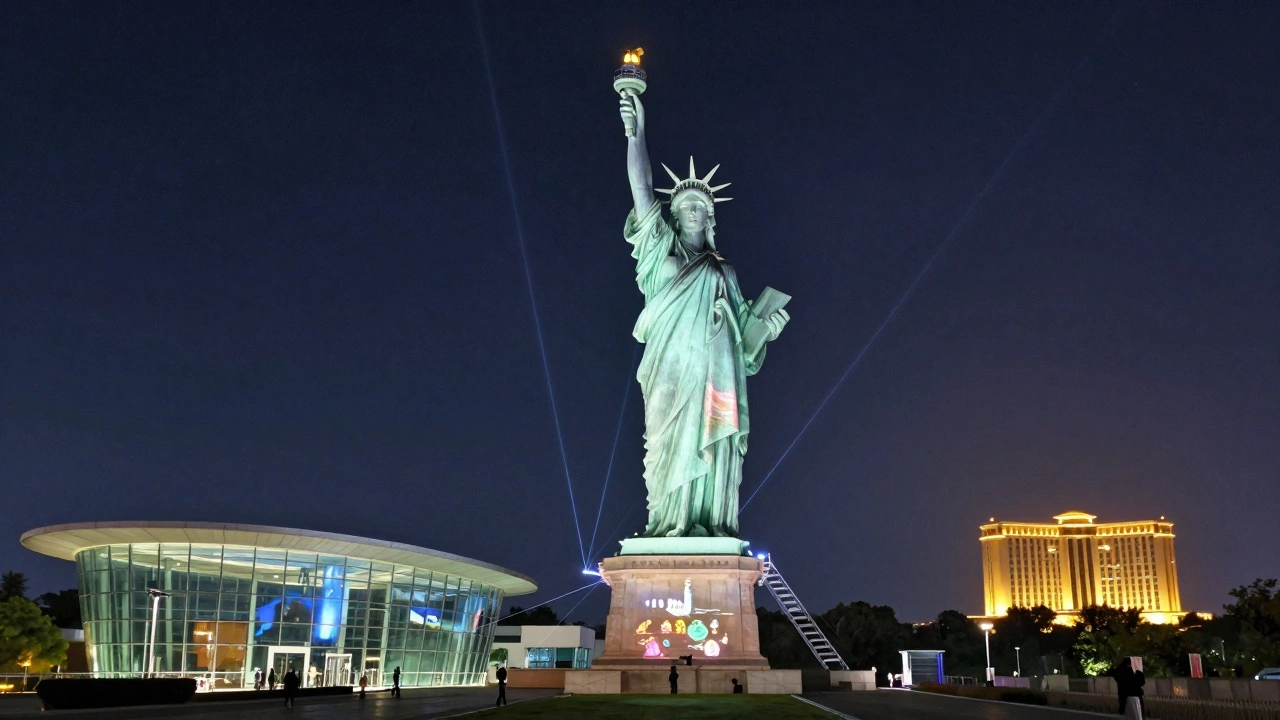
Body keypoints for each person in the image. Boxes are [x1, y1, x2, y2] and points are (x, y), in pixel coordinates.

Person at [617, 85, 790, 539]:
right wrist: (636, 135)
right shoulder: (660, 254)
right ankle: (667, 524)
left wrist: (764, 331)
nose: (693, 209)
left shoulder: (724, 271)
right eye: (685, 205)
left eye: (701, 205)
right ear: (674, 214)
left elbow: (743, 344)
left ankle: (708, 523)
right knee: (664, 450)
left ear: (711, 216)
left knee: (714, 449)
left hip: (716, 377)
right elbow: (639, 188)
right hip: (670, 376)